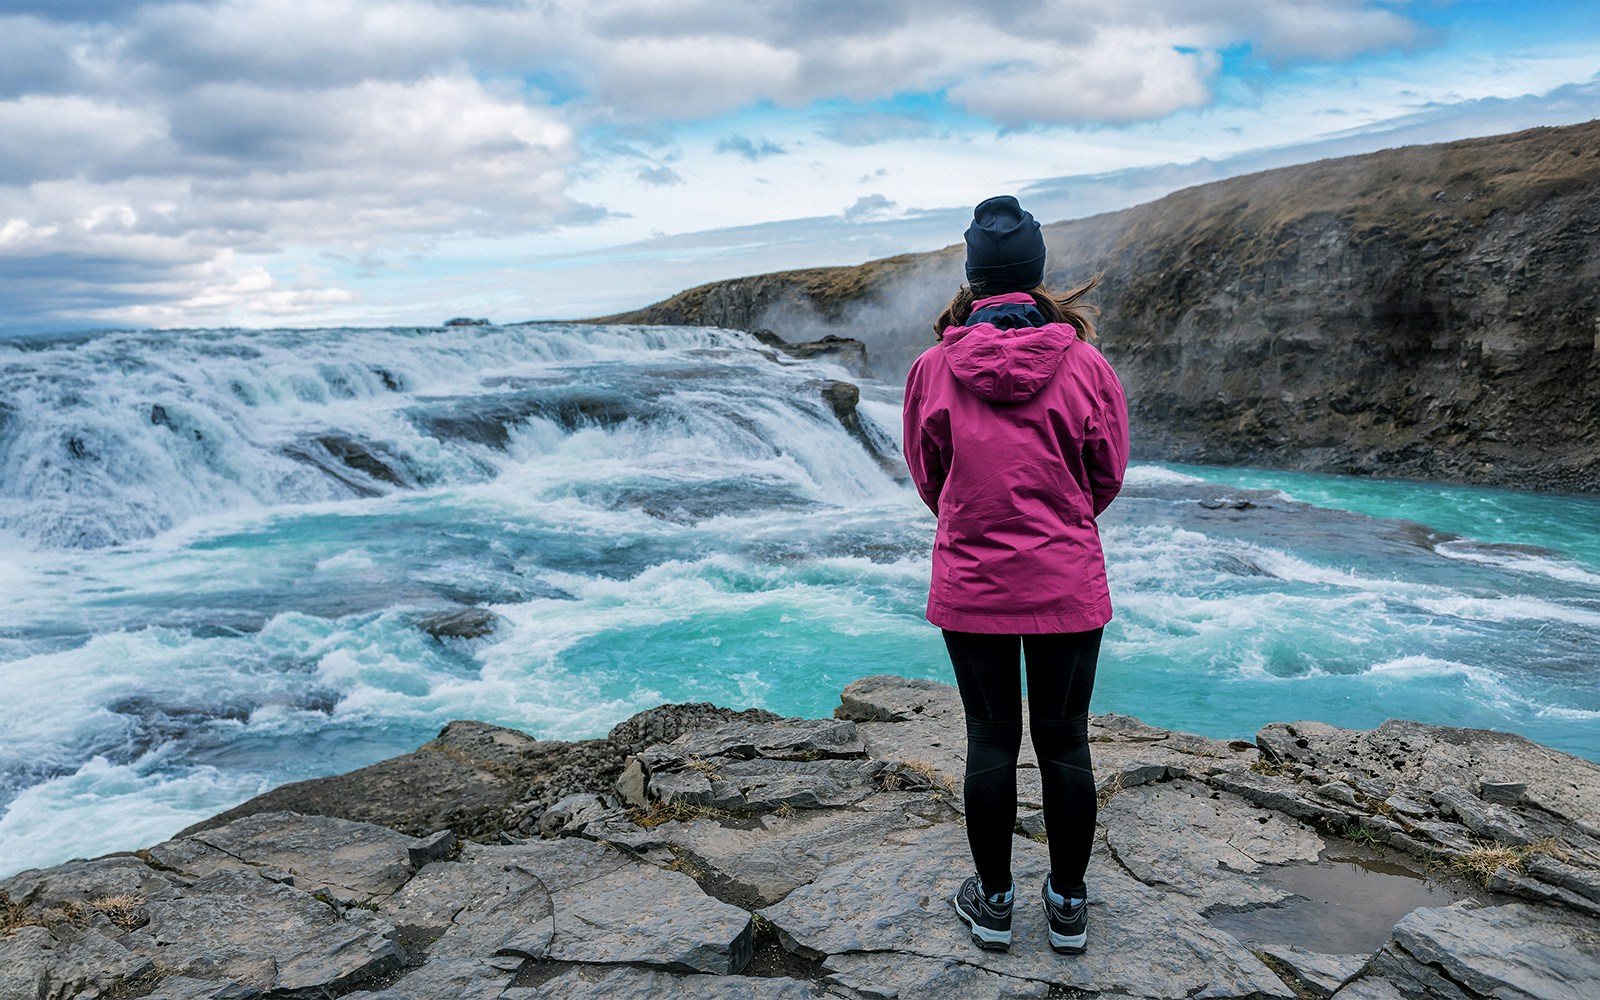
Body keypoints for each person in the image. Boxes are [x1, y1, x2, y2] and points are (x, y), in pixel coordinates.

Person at [901, 195, 1129, 955]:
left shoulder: (934, 368)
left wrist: (974, 519)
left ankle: (993, 904)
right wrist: (1058, 519)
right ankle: (1068, 907)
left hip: (973, 583)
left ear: (974, 278)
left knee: (989, 742)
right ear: (1035, 273)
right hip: (1066, 579)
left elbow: (929, 478)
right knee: (1066, 743)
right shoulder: (1087, 363)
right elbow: (1107, 475)